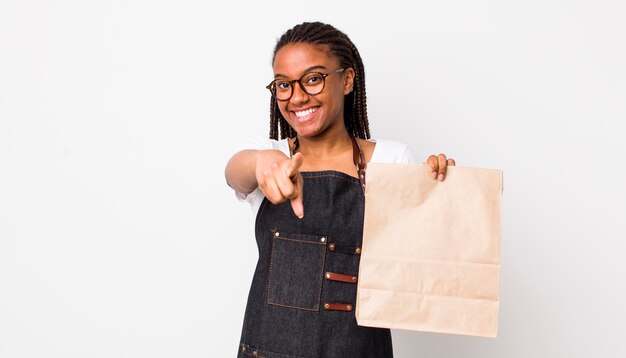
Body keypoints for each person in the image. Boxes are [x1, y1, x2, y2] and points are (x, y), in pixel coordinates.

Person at [225, 21, 455, 358]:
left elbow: (422, 265)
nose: (297, 96)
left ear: (347, 80)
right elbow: (235, 172)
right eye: (284, 85)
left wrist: (440, 190)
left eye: (313, 78)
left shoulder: (392, 158)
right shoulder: (266, 152)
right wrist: (263, 163)